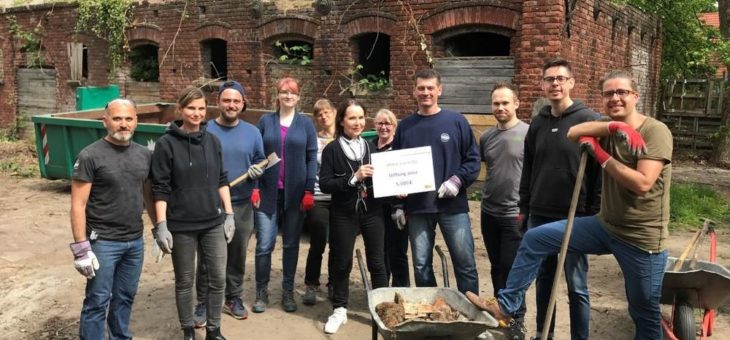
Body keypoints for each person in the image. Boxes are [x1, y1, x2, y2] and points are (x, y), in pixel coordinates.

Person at [469, 70, 672, 340]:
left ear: (635, 96)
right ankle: (506, 305)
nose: (615, 98)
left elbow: (642, 183)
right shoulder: (606, 125)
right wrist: (616, 127)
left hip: (641, 236)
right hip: (606, 226)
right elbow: (574, 132)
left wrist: (600, 154)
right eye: (609, 93)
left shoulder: (655, 131)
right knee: (535, 238)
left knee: (643, 310)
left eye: (622, 92)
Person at [517, 58, 601, 340]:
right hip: (540, 212)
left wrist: (592, 211)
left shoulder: (589, 119)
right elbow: (528, 167)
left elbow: (598, 170)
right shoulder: (538, 122)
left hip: (574, 215)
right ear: (543, 84)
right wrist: (524, 207)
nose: (554, 84)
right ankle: (544, 334)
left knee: (576, 284)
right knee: (544, 280)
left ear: (571, 83)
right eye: (549, 79)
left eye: (560, 79)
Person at [150, 86, 235, 340]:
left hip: (213, 222)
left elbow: (222, 179)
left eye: (200, 108)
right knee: (185, 281)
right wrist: (161, 225)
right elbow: (160, 187)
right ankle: (188, 330)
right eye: (191, 108)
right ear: (180, 109)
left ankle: (213, 330)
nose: (196, 113)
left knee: (218, 278)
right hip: (181, 224)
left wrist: (229, 214)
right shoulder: (166, 144)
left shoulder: (213, 141)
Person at [70, 98, 154, 340]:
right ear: (105, 121)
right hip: (103, 242)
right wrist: (81, 248)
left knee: (125, 296)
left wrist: (159, 227)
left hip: (134, 242)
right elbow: (78, 204)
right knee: (97, 300)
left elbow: (147, 195)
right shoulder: (90, 156)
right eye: (117, 119)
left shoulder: (143, 155)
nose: (123, 124)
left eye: (129, 119)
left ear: (136, 122)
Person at [392, 69, 480, 294]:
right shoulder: (405, 127)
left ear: (439, 90)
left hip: (453, 206)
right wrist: (399, 205)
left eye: (430, 88)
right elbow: (396, 168)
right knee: (421, 266)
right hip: (419, 207)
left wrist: (457, 180)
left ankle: (472, 318)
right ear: (414, 91)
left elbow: (472, 160)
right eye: (421, 88)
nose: (425, 92)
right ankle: (431, 315)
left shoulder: (456, 121)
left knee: (465, 264)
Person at [193, 81, 265, 326]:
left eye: (236, 101)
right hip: (209, 204)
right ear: (218, 102)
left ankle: (233, 297)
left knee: (236, 254)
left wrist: (257, 172)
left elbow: (260, 160)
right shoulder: (205, 130)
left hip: (242, 204)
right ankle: (203, 301)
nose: (231, 105)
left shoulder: (253, 132)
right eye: (227, 100)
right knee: (206, 256)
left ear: (243, 104)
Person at [319, 99, 388, 334]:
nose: (357, 123)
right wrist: (353, 178)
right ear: (342, 120)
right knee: (342, 261)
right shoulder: (332, 149)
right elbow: (326, 184)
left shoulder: (371, 147)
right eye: (352, 118)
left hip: (372, 210)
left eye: (360, 118)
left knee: (377, 261)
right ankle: (339, 309)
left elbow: (384, 179)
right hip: (343, 212)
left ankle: (382, 309)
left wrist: (396, 188)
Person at [253, 76, 318, 313]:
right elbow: (257, 155)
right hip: (268, 193)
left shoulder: (306, 124)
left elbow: (312, 158)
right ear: (277, 95)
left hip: (295, 195)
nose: (288, 96)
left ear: (298, 97)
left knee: (291, 244)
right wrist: (255, 187)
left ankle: (288, 291)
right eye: (284, 92)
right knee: (264, 245)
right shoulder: (265, 121)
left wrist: (309, 189)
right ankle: (261, 292)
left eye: (292, 92)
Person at [478, 83, 529, 339]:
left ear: (516, 103)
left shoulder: (528, 134)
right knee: (496, 266)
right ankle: (501, 317)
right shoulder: (486, 137)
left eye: (505, 103)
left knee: (512, 270)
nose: (500, 107)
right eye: (496, 103)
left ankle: (517, 321)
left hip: (514, 214)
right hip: (488, 212)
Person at [302, 98, 336, 306]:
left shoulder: (344, 138)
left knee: (338, 245)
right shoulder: (313, 141)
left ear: (334, 112)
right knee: (317, 243)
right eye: (318, 114)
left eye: (326, 111)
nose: (323, 116)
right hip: (319, 197)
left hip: (340, 198)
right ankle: (311, 285)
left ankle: (333, 283)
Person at [372, 108, 410, 287]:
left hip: (397, 207)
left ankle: (401, 290)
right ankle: (382, 290)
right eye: (380, 123)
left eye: (387, 123)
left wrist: (405, 189)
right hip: (375, 208)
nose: (383, 127)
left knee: (397, 251)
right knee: (380, 251)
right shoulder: (369, 146)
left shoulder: (401, 148)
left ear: (394, 126)